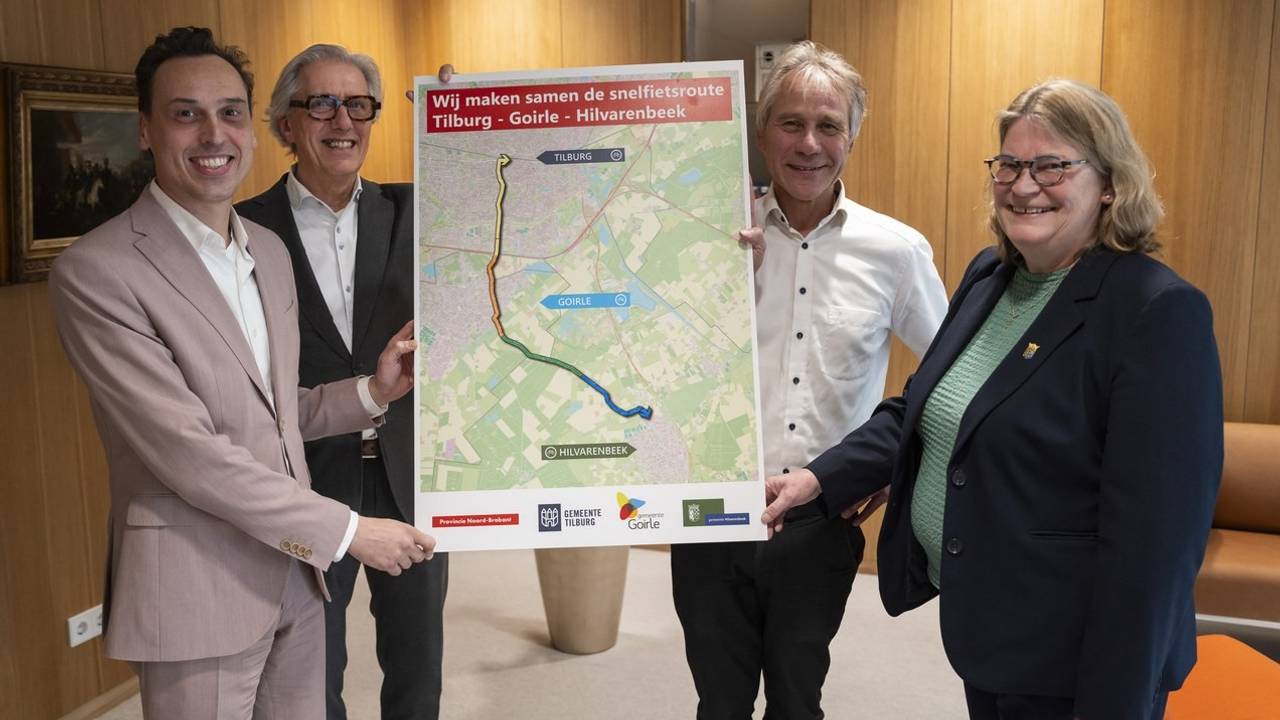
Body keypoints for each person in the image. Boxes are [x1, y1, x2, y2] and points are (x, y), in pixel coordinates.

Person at [761, 78, 1223, 720]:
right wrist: (821, 478)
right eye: (1009, 164)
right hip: (994, 633)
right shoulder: (992, 277)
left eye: (1053, 165)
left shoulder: (1154, 311)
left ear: (1111, 183)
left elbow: (1155, 548)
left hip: (1077, 660)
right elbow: (925, 406)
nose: (1024, 184)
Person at [48, 27, 435, 718]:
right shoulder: (97, 273)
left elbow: (277, 413)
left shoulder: (265, 250)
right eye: (185, 113)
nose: (212, 134)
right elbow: (190, 456)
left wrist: (371, 392)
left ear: (252, 131)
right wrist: (350, 532)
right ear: (145, 130)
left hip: (296, 575)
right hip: (199, 586)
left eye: (228, 112)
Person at [670, 40, 947, 719]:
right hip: (708, 509)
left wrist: (889, 473)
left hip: (820, 518)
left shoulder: (896, 251)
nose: (809, 143)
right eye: (791, 123)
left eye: (828, 125)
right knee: (720, 701)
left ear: (851, 138)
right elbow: (651, 355)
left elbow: (949, 378)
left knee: (798, 699)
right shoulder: (702, 236)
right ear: (763, 134)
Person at [236, 45, 447, 720]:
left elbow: (514, 202)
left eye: (358, 104)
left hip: (408, 477)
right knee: (308, 670)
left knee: (418, 664)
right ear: (285, 123)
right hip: (306, 479)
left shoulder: (414, 211)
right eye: (320, 102)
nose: (343, 120)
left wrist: (465, 113)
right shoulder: (243, 228)